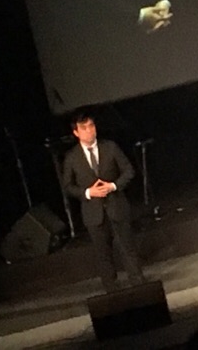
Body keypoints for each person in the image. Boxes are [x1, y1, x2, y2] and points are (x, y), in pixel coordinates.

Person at [61, 111, 144, 290]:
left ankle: (139, 284)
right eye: (84, 128)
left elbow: (129, 170)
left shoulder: (110, 147)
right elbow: (67, 186)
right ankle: (111, 289)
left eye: (91, 126)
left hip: (116, 205)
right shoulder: (72, 157)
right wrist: (88, 192)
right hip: (93, 212)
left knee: (128, 248)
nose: (89, 131)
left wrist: (113, 185)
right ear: (76, 133)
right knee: (103, 254)